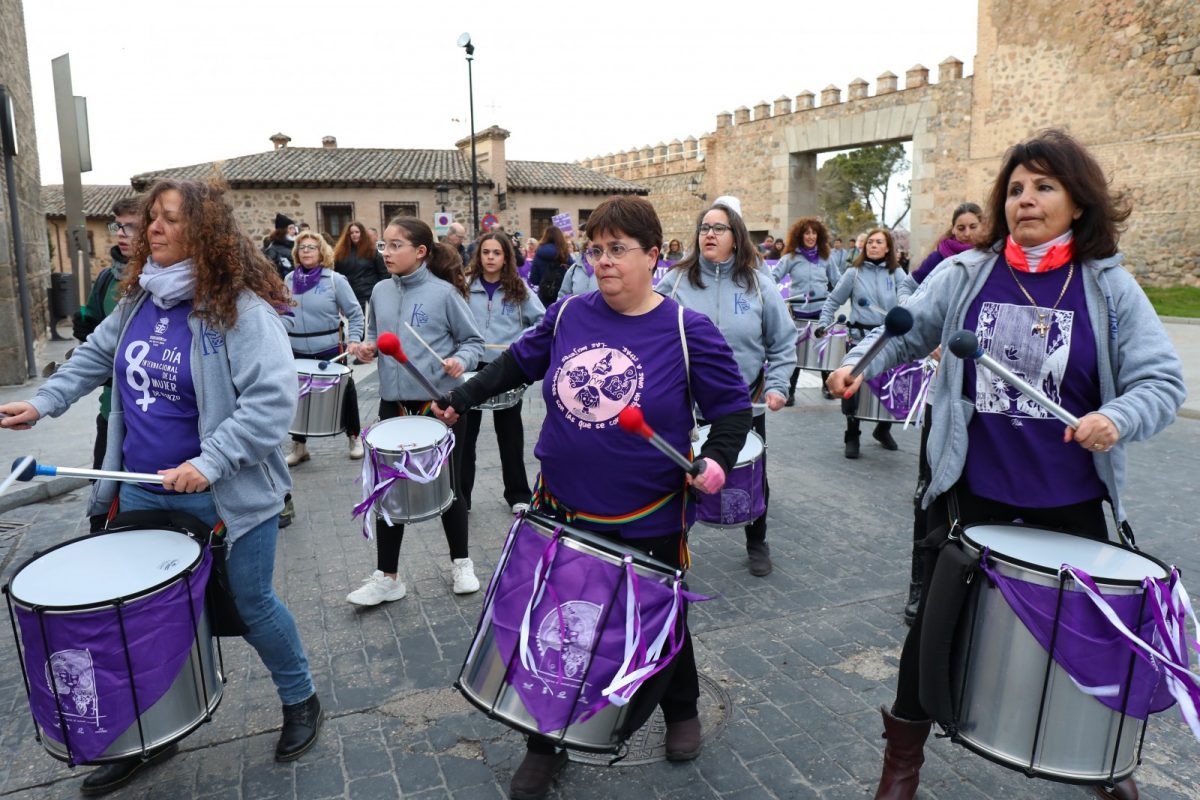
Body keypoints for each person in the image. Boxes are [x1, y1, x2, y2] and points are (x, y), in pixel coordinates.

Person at [825, 129, 1185, 800]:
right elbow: (906, 331)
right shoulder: (968, 274)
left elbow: (1161, 384)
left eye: (1044, 186)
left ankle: (1106, 765)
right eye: (1016, 188)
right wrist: (858, 367)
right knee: (932, 634)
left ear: (1078, 202)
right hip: (972, 492)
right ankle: (901, 764)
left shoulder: (1108, 286)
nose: (1026, 199)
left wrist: (1116, 419)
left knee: (1088, 640)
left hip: (1070, 496)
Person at [0, 179, 323, 795]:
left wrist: (212, 460)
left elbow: (271, 405)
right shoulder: (137, 302)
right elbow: (95, 357)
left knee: (250, 606)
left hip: (223, 496)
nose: (152, 229)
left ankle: (300, 697)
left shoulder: (242, 311)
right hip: (144, 490)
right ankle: (146, 731)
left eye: (170, 220)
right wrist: (42, 404)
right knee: (145, 620)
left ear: (203, 232)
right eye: (151, 218)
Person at [433, 195, 752, 800]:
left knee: (657, 620)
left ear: (654, 257)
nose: (604, 262)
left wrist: (716, 460)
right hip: (561, 507)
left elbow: (732, 410)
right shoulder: (569, 314)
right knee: (563, 629)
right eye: (596, 250)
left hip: (648, 514)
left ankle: (680, 707)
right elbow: (519, 364)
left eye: (619, 251)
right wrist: (464, 397)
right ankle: (544, 740)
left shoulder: (687, 331)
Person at [347, 216, 484, 605]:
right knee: (387, 489)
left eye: (395, 245)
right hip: (395, 404)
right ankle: (388, 576)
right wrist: (367, 347)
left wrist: (459, 359)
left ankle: (462, 562)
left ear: (420, 251)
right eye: (383, 246)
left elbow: (474, 341)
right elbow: (375, 336)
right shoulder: (379, 291)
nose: (386, 253)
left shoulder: (443, 294)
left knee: (449, 487)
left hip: (440, 406)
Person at [659, 199, 795, 576]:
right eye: (704, 227)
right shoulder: (675, 281)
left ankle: (757, 541)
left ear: (736, 237)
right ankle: (671, 546)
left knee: (752, 474)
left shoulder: (758, 284)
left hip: (743, 402)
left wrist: (779, 385)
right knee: (680, 477)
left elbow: (783, 343)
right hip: (686, 404)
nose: (709, 234)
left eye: (718, 228)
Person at [895, 201, 983, 624]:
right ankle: (919, 585)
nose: (966, 233)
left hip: (984, 404)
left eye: (973, 226)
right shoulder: (943, 263)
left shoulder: (990, 267)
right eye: (960, 226)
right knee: (927, 492)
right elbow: (911, 301)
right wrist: (932, 340)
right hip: (943, 396)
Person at [460, 232, 545, 513]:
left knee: (509, 434)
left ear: (506, 257)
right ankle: (462, 496)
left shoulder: (518, 288)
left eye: (497, 253)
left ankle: (518, 495)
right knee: (465, 435)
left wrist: (522, 341)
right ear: (479, 255)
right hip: (472, 366)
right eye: (486, 252)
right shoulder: (464, 286)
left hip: (506, 367)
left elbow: (543, 320)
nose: (490, 258)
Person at [818, 228, 904, 459]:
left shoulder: (896, 273)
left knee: (891, 388)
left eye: (878, 242)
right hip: (858, 340)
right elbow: (833, 301)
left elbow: (910, 300)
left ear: (888, 248)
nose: (873, 246)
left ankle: (882, 429)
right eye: (870, 243)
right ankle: (852, 434)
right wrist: (824, 323)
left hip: (888, 341)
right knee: (852, 390)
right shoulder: (853, 273)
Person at [283, 229, 365, 465]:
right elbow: (281, 312)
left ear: (322, 253)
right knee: (296, 396)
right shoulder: (288, 281)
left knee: (346, 392)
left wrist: (355, 339)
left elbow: (355, 313)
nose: (306, 251)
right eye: (302, 247)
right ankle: (299, 446)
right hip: (296, 348)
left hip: (330, 347)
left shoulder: (334, 280)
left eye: (311, 247)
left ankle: (354, 437)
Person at [73, 196, 142, 476]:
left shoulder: (166, 282)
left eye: (132, 227)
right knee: (103, 487)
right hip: (111, 407)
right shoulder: (106, 279)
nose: (122, 234)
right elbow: (93, 336)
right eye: (118, 226)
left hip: (156, 412)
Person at [772, 216, 841, 405]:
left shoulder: (827, 258)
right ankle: (790, 391)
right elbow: (771, 278)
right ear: (800, 236)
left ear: (819, 236)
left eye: (814, 233)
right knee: (796, 352)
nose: (810, 236)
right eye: (806, 233)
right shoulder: (790, 258)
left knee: (823, 351)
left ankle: (827, 387)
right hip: (798, 313)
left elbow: (838, 282)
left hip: (822, 312)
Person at [333, 220, 388, 311]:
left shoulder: (372, 252)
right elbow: (335, 274)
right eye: (351, 233)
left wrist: (379, 293)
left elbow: (384, 274)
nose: (354, 234)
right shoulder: (340, 254)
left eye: (357, 232)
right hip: (348, 296)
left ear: (362, 233)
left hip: (368, 296)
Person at [528, 226, 572, 308]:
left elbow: (534, 279)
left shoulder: (539, 253)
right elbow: (573, 275)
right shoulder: (565, 254)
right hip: (562, 299)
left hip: (543, 299)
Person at [264, 212, 297, 279]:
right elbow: (269, 272)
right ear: (282, 231)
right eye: (290, 228)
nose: (294, 231)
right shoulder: (272, 250)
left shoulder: (296, 246)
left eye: (294, 228)